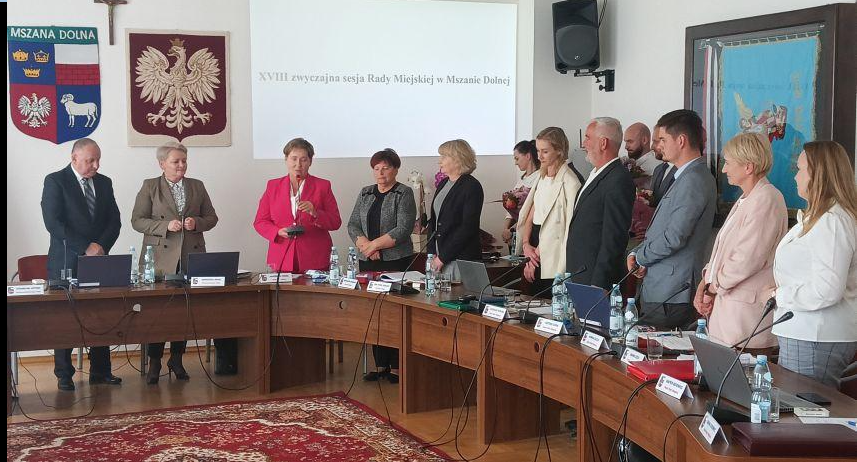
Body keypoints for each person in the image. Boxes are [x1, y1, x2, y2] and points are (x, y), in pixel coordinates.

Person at [131, 141, 220, 383]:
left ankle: (177, 359)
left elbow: (212, 217)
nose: (181, 165)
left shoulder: (196, 186)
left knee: (184, 312)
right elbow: (137, 221)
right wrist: (164, 226)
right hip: (160, 259)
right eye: (176, 161)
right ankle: (154, 362)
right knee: (157, 313)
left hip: (190, 256)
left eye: (184, 161)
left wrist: (196, 223)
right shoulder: (150, 186)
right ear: (162, 164)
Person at [693, 133, 787, 355]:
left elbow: (746, 259)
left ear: (748, 167)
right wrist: (705, 281)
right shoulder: (748, 197)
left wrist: (712, 287)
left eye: (728, 163)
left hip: (745, 320)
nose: (724, 169)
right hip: (728, 316)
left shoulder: (767, 198)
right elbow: (723, 252)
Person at [773, 141, 857, 387]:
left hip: (816, 334)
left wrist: (780, 295)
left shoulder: (832, 221)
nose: (795, 176)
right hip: (805, 331)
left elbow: (828, 289)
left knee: (802, 408)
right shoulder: (817, 217)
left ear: (818, 175)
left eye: (800, 169)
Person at [40, 138, 121, 391]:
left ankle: (101, 370)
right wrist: (86, 246)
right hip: (65, 260)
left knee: (100, 314)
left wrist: (100, 247)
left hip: (99, 260)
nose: (96, 165)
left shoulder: (104, 182)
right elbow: (53, 223)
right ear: (74, 158)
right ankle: (64, 374)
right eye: (90, 160)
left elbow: (114, 221)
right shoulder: (56, 181)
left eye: (98, 160)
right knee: (65, 319)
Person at [628, 110, 716, 330]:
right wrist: (636, 253)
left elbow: (674, 237)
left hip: (673, 290)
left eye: (663, 140)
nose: (659, 146)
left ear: (681, 140)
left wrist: (640, 256)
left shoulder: (693, 179)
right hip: (661, 286)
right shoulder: (684, 176)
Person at [347, 148, 417, 384]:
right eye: (376, 168)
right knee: (374, 311)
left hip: (396, 260)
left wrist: (374, 245)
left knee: (394, 312)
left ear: (395, 169)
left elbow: (403, 228)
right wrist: (366, 246)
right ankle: (380, 364)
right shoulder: (365, 192)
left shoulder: (403, 193)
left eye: (385, 168)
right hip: (369, 261)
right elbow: (353, 224)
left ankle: (397, 366)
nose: (380, 173)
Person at [566, 117, 635, 290]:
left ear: (603, 143)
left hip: (595, 280)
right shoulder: (596, 173)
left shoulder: (617, 179)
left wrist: (600, 283)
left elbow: (614, 237)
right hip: (580, 273)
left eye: (588, 137)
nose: (583, 144)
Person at [255, 138, 342, 273]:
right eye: (294, 159)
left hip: (315, 258)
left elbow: (335, 222)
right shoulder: (273, 186)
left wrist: (315, 213)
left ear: (310, 161)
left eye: (303, 159)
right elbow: (260, 221)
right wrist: (277, 232)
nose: (298, 164)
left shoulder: (323, 186)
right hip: (281, 257)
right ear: (286, 159)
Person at [516, 127, 582, 295]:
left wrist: (534, 257)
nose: (539, 156)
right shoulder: (541, 176)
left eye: (545, 151)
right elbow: (530, 214)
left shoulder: (571, 182)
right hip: (534, 241)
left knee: (547, 298)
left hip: (551, 249)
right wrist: (526, 244)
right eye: (538, 151)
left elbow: (563, 227)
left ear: (559, 150)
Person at [426, 140, 483, 280]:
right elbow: (435, 220)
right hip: (439, 258)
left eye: (444, 156)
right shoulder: (443, 183)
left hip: (460, 259)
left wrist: (443, 258)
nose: (439, 161)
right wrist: (431, 253)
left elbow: (468, 227)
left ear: (458, 159)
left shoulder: (472, 186)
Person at [501, 140, 540, 246]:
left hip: (531, 231)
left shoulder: (539, 178)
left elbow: (531, 211)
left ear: (528, 156)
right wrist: (506, 229)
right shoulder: (522, 180)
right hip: (516, 231)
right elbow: (511, 210)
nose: (516, 162)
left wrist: (512, 229)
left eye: (517, 158)